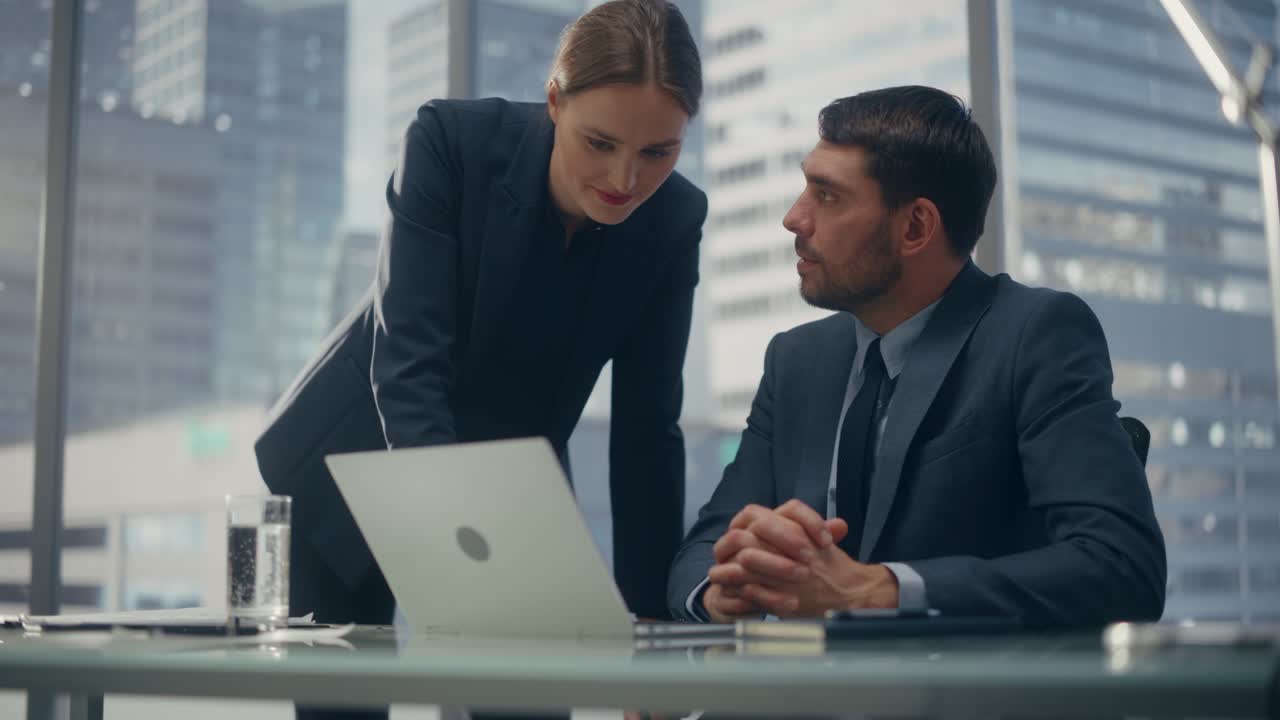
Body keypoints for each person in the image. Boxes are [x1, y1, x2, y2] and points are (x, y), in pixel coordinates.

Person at [254, 1, 703, 717]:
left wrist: (650, 621)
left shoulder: (675, 219)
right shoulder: (450, 143)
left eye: (658, 152)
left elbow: (649, 430)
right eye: (600, 142)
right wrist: (454, 560)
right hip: (358, 457)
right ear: (555, 100)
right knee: (342, 708)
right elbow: (408, 367)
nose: (625, 179)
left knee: (527, 708)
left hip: (514, 492)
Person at [668, 86, 1167, 627]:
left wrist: (877, 590)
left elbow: (1122, 567)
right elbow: (704, 549)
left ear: (915, 228)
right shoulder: (796, 360)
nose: (794, 218)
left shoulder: (1035, 335)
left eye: (827, 196)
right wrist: (724, 592)